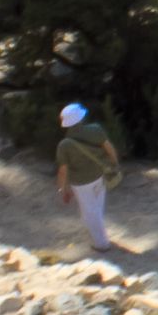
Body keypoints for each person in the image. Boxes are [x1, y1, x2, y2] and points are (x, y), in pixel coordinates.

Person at [54, 102, 124, 255]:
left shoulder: (64, 145)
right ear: (81, 117)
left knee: (89, 213)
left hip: (81, 183)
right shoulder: (96, 130)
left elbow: (63, 171)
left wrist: (63, 188)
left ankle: (102, 244)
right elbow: (109, 148)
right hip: (100, 176)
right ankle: (99, 237)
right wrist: (115, 164)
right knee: (96, 209)